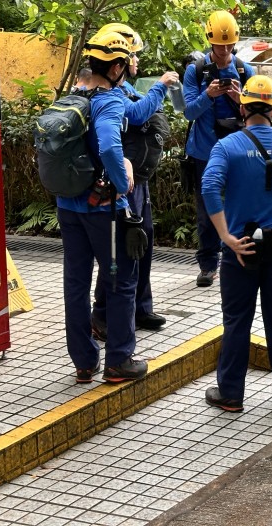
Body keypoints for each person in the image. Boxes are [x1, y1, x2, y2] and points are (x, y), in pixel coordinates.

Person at [202, 75, 272, 411]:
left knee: (237, 319)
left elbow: (209, 188)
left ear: (243, 107)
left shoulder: (228, 146)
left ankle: (231, 394)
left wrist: (225, 237)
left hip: (242, 247)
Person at [58, 29, 147, 384]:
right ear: (116, 68)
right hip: (103, 211)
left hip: (69, 206)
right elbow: (110, 148)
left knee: (76, 283)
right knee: (121, 281)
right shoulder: (108, 100)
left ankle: (83, 361)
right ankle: (119, 361)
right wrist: (122, 176)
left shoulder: (74, 94)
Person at [90, 23, 178, 339]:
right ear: (119, 62)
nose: (137, 61)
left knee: (144, 239)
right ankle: (101, 315)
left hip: (138, 178)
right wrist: (161, 86)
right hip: (123, 183)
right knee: (122, 249)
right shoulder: (110, 96)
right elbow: (140, 114)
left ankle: (141, 308)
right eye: (133, 56)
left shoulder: (122, 89)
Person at [182, 10, 251, 288]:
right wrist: (208, 95)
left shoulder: (246, 70)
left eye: (229, 45)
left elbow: (256, 115)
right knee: (206, 210)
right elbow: (189, 112)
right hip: (204, 151)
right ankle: (208, 265)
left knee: (237, 205)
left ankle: (235, 258)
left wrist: (239, 99)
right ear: (210, 42)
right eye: (219, 45)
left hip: (236, 151)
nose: (224, 51)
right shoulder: (195, 71)